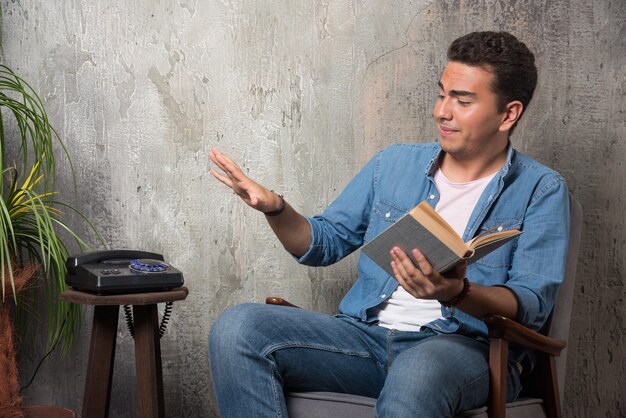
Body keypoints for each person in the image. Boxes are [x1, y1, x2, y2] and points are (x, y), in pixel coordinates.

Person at [207, 31, 570, 417]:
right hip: (365, 339)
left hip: (465, 350)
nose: (442, 112)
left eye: (462, 100)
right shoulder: (393, 163)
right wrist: (275, 208)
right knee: (238, 327)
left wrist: (456, 292)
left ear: (508, 113)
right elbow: (321, 244)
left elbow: (530, 304)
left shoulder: (540, 189)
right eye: (441, 94)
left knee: (419, 370)